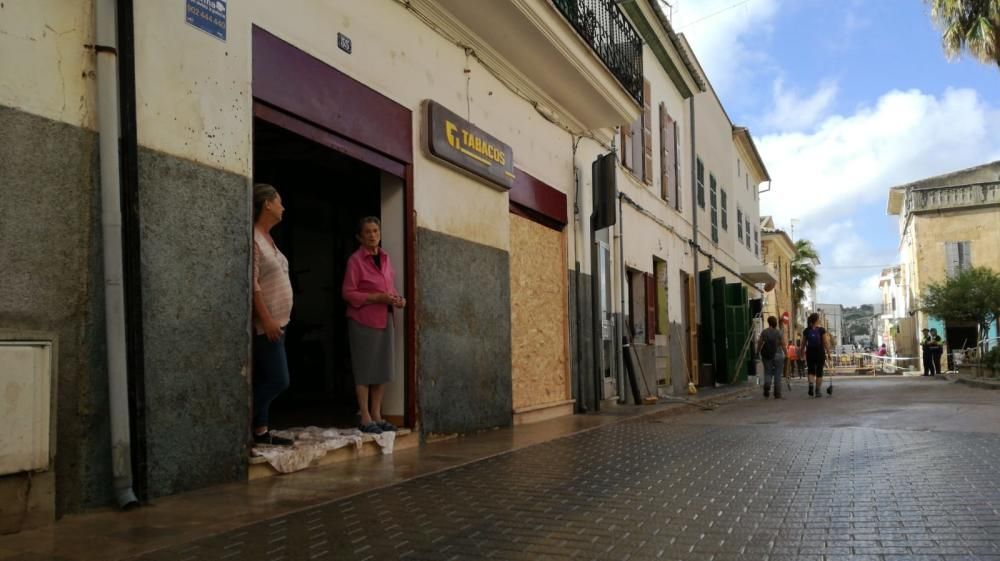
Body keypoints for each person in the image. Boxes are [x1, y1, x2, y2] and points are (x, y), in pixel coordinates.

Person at [342, 216, 405, 434]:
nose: (372, 235)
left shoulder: (385, 258)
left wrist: (398, 299)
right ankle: (365, 416)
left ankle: (377, 414)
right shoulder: (355, 260)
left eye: (376, 231)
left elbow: (390, 287)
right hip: (363, 320)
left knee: (383, 367)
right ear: (360, 237)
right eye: (367, 232)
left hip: (386, 318)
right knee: (365, 368)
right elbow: (348, 293)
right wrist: (376, 298)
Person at [252, 183, 294, 446]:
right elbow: (253, 282)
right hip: (266, 324)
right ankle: (240, 419)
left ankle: (261, 431)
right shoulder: (254, 239)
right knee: (279, 380)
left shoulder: (268, 238)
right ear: (267, 203)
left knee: (266, 377)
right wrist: (266, 319)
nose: (283, 207)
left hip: (280, 321)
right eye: (279, 201)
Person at [800, 313, 831, 397]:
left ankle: (811, 384)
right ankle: (817, 391)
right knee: (819, 372)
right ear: (817, 320)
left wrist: (801, 353)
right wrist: (828, 353)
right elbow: (825, 342)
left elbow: (803, 344)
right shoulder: (821, 330)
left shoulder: (806, 331)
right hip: (820, 353)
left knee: (811, 370)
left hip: (810, 353)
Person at [756, 316, 787, 399]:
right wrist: (786, 354)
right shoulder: (779, 332)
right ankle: (777, 393)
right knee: (778, 374)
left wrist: (758, 351)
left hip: (767, 355)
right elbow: (783, 344)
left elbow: (760, 343)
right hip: (778, 354)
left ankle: (767, 384)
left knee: (768, 372)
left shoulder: (764, 332)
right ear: (775, 322)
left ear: (768, 322)